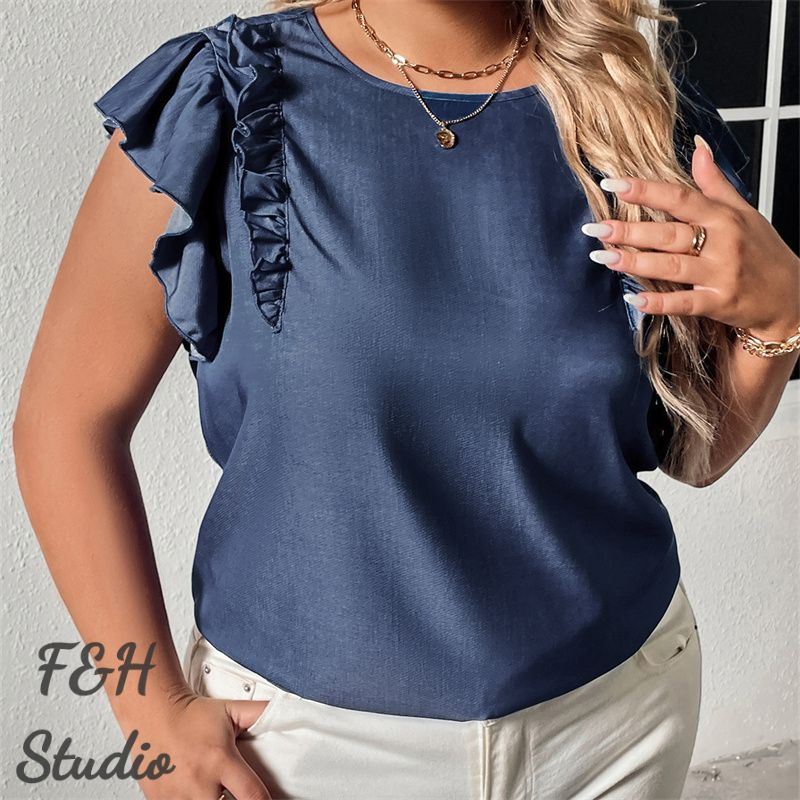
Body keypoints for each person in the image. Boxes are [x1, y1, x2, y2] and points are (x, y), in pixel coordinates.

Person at [13, 1, 800, 798]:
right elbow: (63, 426)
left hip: (618, 725)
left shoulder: (634, 106)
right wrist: (146, 709)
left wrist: (781, 319)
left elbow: (692, 454)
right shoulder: (226, 96)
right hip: (303, 749)